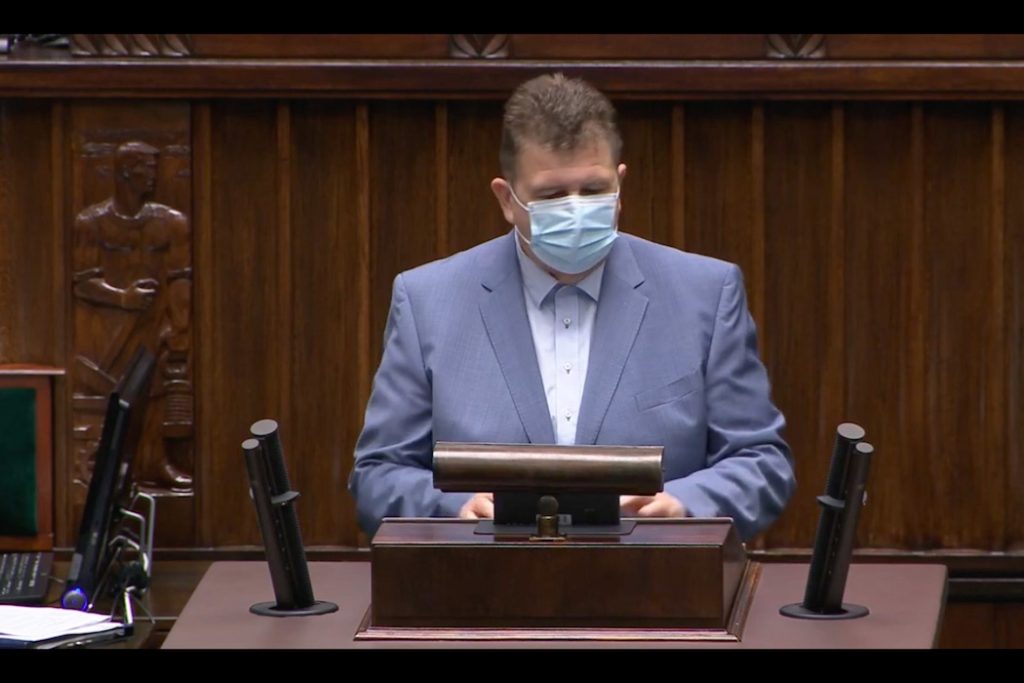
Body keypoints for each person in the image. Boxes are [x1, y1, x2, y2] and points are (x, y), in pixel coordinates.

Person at [349, 73, 794, 540]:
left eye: (594, 191)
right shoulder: (427, 301)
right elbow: (378, 474)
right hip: (482, 575)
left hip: (655, 574)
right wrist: (453, 507)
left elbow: (761, 461)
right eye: (553, 196)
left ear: (620, 186)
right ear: (507, 199)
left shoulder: (705, 293)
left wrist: (686, 504)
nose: (577, 210)